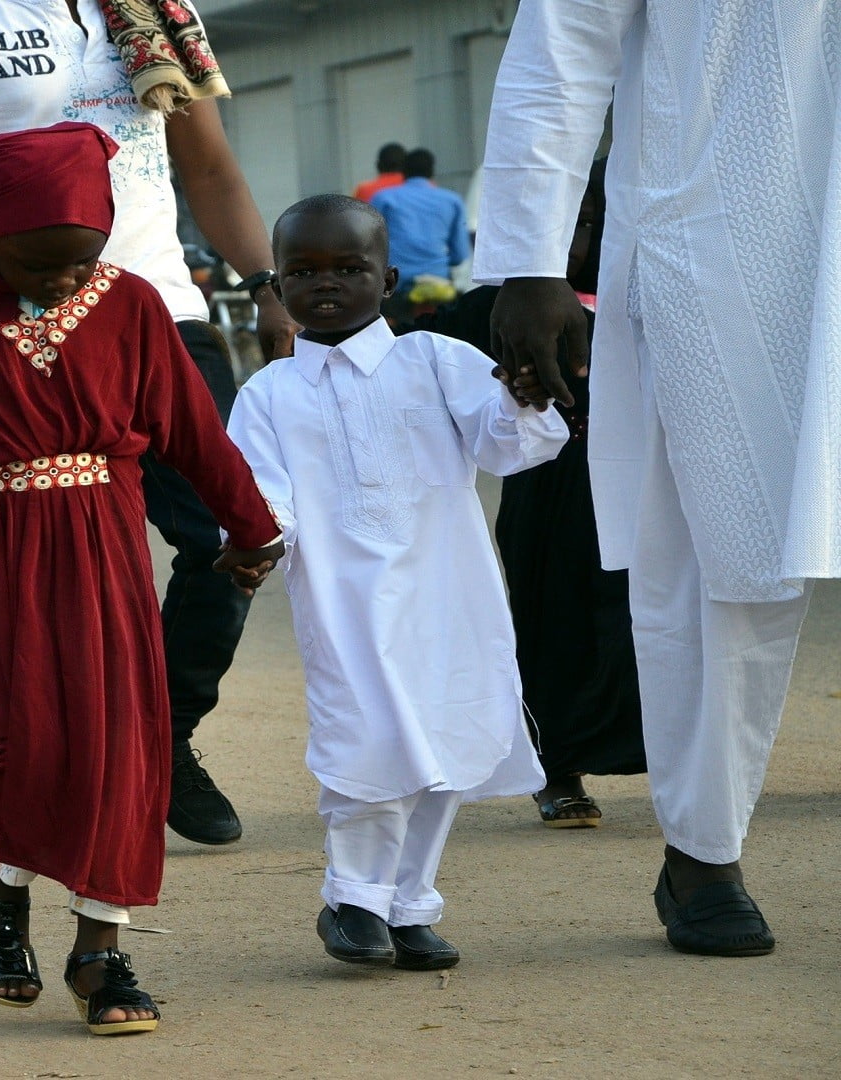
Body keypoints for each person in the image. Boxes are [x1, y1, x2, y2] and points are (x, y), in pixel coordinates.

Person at [0, 123, 284, 1036]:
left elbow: (194, 436)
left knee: (125, 740)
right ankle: (1, 892)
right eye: (39, 262)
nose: (62, 280)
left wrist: (252, 527)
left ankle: (103, 948)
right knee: (37, 733)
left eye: (78, 259)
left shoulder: (128, 304)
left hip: (105, 532)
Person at [475, 0, 839, 958]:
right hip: (723, 238)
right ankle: (704, 850)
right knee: (725, 556)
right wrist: (531, 258)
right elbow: (558, 55)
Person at [0, 0, 295, 848]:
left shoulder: (155, 13)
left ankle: (162, 733)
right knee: (46, 567)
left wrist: (265, 283)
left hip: (157, 310)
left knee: (229, 527)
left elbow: (210, 168)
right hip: (15, 316)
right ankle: (68, 760)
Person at [225, 196, 567, 971]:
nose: (328, 285)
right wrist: (259, 542)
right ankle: (352, 898)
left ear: (391, 276)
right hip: (345, 608)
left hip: (448, 597)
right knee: (367, 746)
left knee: (444, 747)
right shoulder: (268, 394)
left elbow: (509, 444)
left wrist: (522, 392)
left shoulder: (437, 359)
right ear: (276, 285)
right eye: (304, 272)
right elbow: (260, 492)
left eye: (349, 268)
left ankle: (408, 904)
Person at [415, 161, 645, 829]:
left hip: (637, 488)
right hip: (551, 499)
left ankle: (667, 755)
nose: (585, 239)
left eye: (600, 224)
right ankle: (558, 765)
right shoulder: (505, 306)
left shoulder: (644, 298)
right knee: (554, 623)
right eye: (572, 224)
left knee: (640, 624)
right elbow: (430, 368)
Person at [368, 149, 469, 304]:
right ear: (432, 171)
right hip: (439, 284)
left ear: (404, 171)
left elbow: (369, 243)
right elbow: (460, 255)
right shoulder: (452, 201)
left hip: (396, 285)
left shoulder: (384, 198)